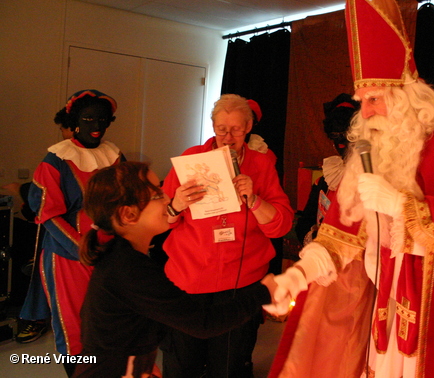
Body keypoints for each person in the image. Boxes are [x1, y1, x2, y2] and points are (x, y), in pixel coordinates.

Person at [266, 0, 434, 378]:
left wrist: (401, 207)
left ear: (406, 96)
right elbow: (340, 237)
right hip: (385, 310)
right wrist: (297, 276)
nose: (365, 113)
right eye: (362, 102)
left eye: (374, 99)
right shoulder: (372, 154)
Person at [73, 161, 277, 378]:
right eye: (158, 195)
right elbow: (204, 323)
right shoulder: (127, 268)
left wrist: (142, 363)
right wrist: (265, 291)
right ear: (128, 215)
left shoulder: (124, 256)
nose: (168, 199)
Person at [160, 93, 294, 378]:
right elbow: (160, 220)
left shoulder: (262, 164)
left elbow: (281, 226)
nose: (228, 136)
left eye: (235, 129)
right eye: (221, 128)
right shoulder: (190, 159)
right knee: (182, 365)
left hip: (240, 285)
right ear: (212, 126)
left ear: (248, 127)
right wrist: (176, 205)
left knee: (230, 365)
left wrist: (255, 200)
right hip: (189, 280)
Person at [28, 89, 124, 377]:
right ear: (75, 122)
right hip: (69, 258)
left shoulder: (114, 156)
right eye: (89, 118)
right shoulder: (55, 160)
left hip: (110, 252)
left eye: (103, 119)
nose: (97, 126)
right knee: (75, 326)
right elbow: (48, 214)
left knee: (109, 321)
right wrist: (82, 247)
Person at [14, 106, 74, 344]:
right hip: (61, 235)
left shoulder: (105, 155)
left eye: (62, 129)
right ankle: (35, 316)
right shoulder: (55, 159)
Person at [295, 93, 359, 245]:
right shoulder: (325, 181)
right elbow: (303, 225)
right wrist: (316, 238)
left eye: (346, 136)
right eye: (335, 136)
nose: (341, 144)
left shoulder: (370, 179)